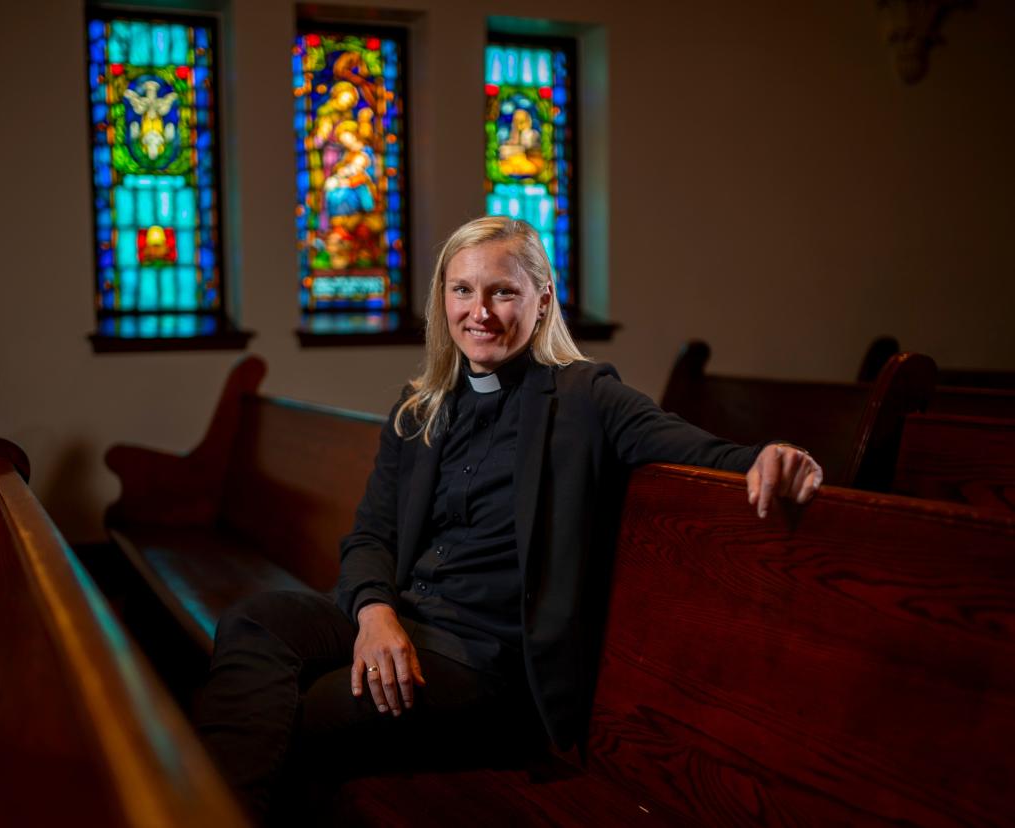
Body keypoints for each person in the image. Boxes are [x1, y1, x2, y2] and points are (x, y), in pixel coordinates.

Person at [194, 216, 822, 822]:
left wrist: (770, 457)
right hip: (403, 618)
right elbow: (371, 536)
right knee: (256, 619)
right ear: (443, 299)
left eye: (503, 292)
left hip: (483, 661)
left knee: (299, 718)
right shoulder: (422, 410)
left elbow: (701, 452)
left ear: (543, 300)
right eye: (462, 290)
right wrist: (374, 613)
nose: (480, 312)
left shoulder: (585, 397)